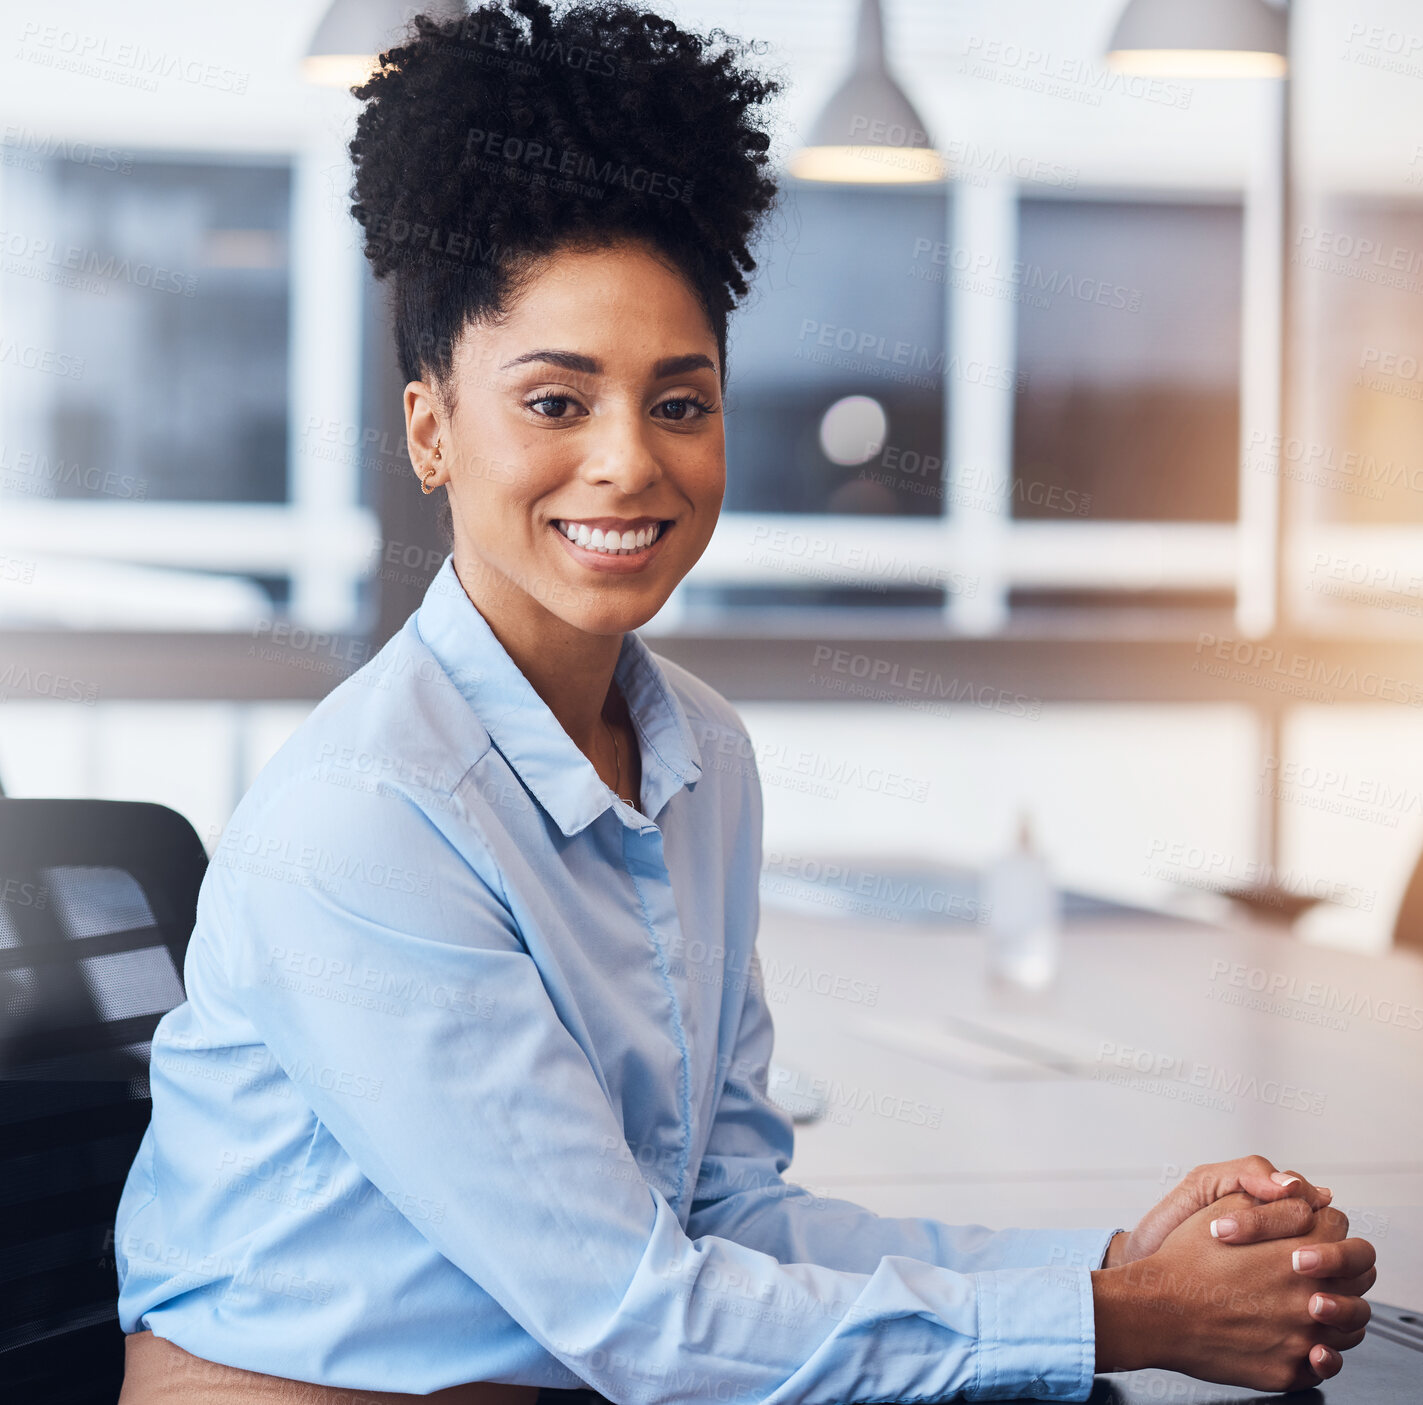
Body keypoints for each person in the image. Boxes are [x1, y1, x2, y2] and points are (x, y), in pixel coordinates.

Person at [112, 2, 1376, 1401]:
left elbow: (727, 1221)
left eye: (680, 402)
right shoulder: (369, 821)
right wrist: (1123, 1322)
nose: (625, 464)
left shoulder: (698, 753)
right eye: (554, 401)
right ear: (429, 429)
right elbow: (649, 1319)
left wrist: (1124, 1264)